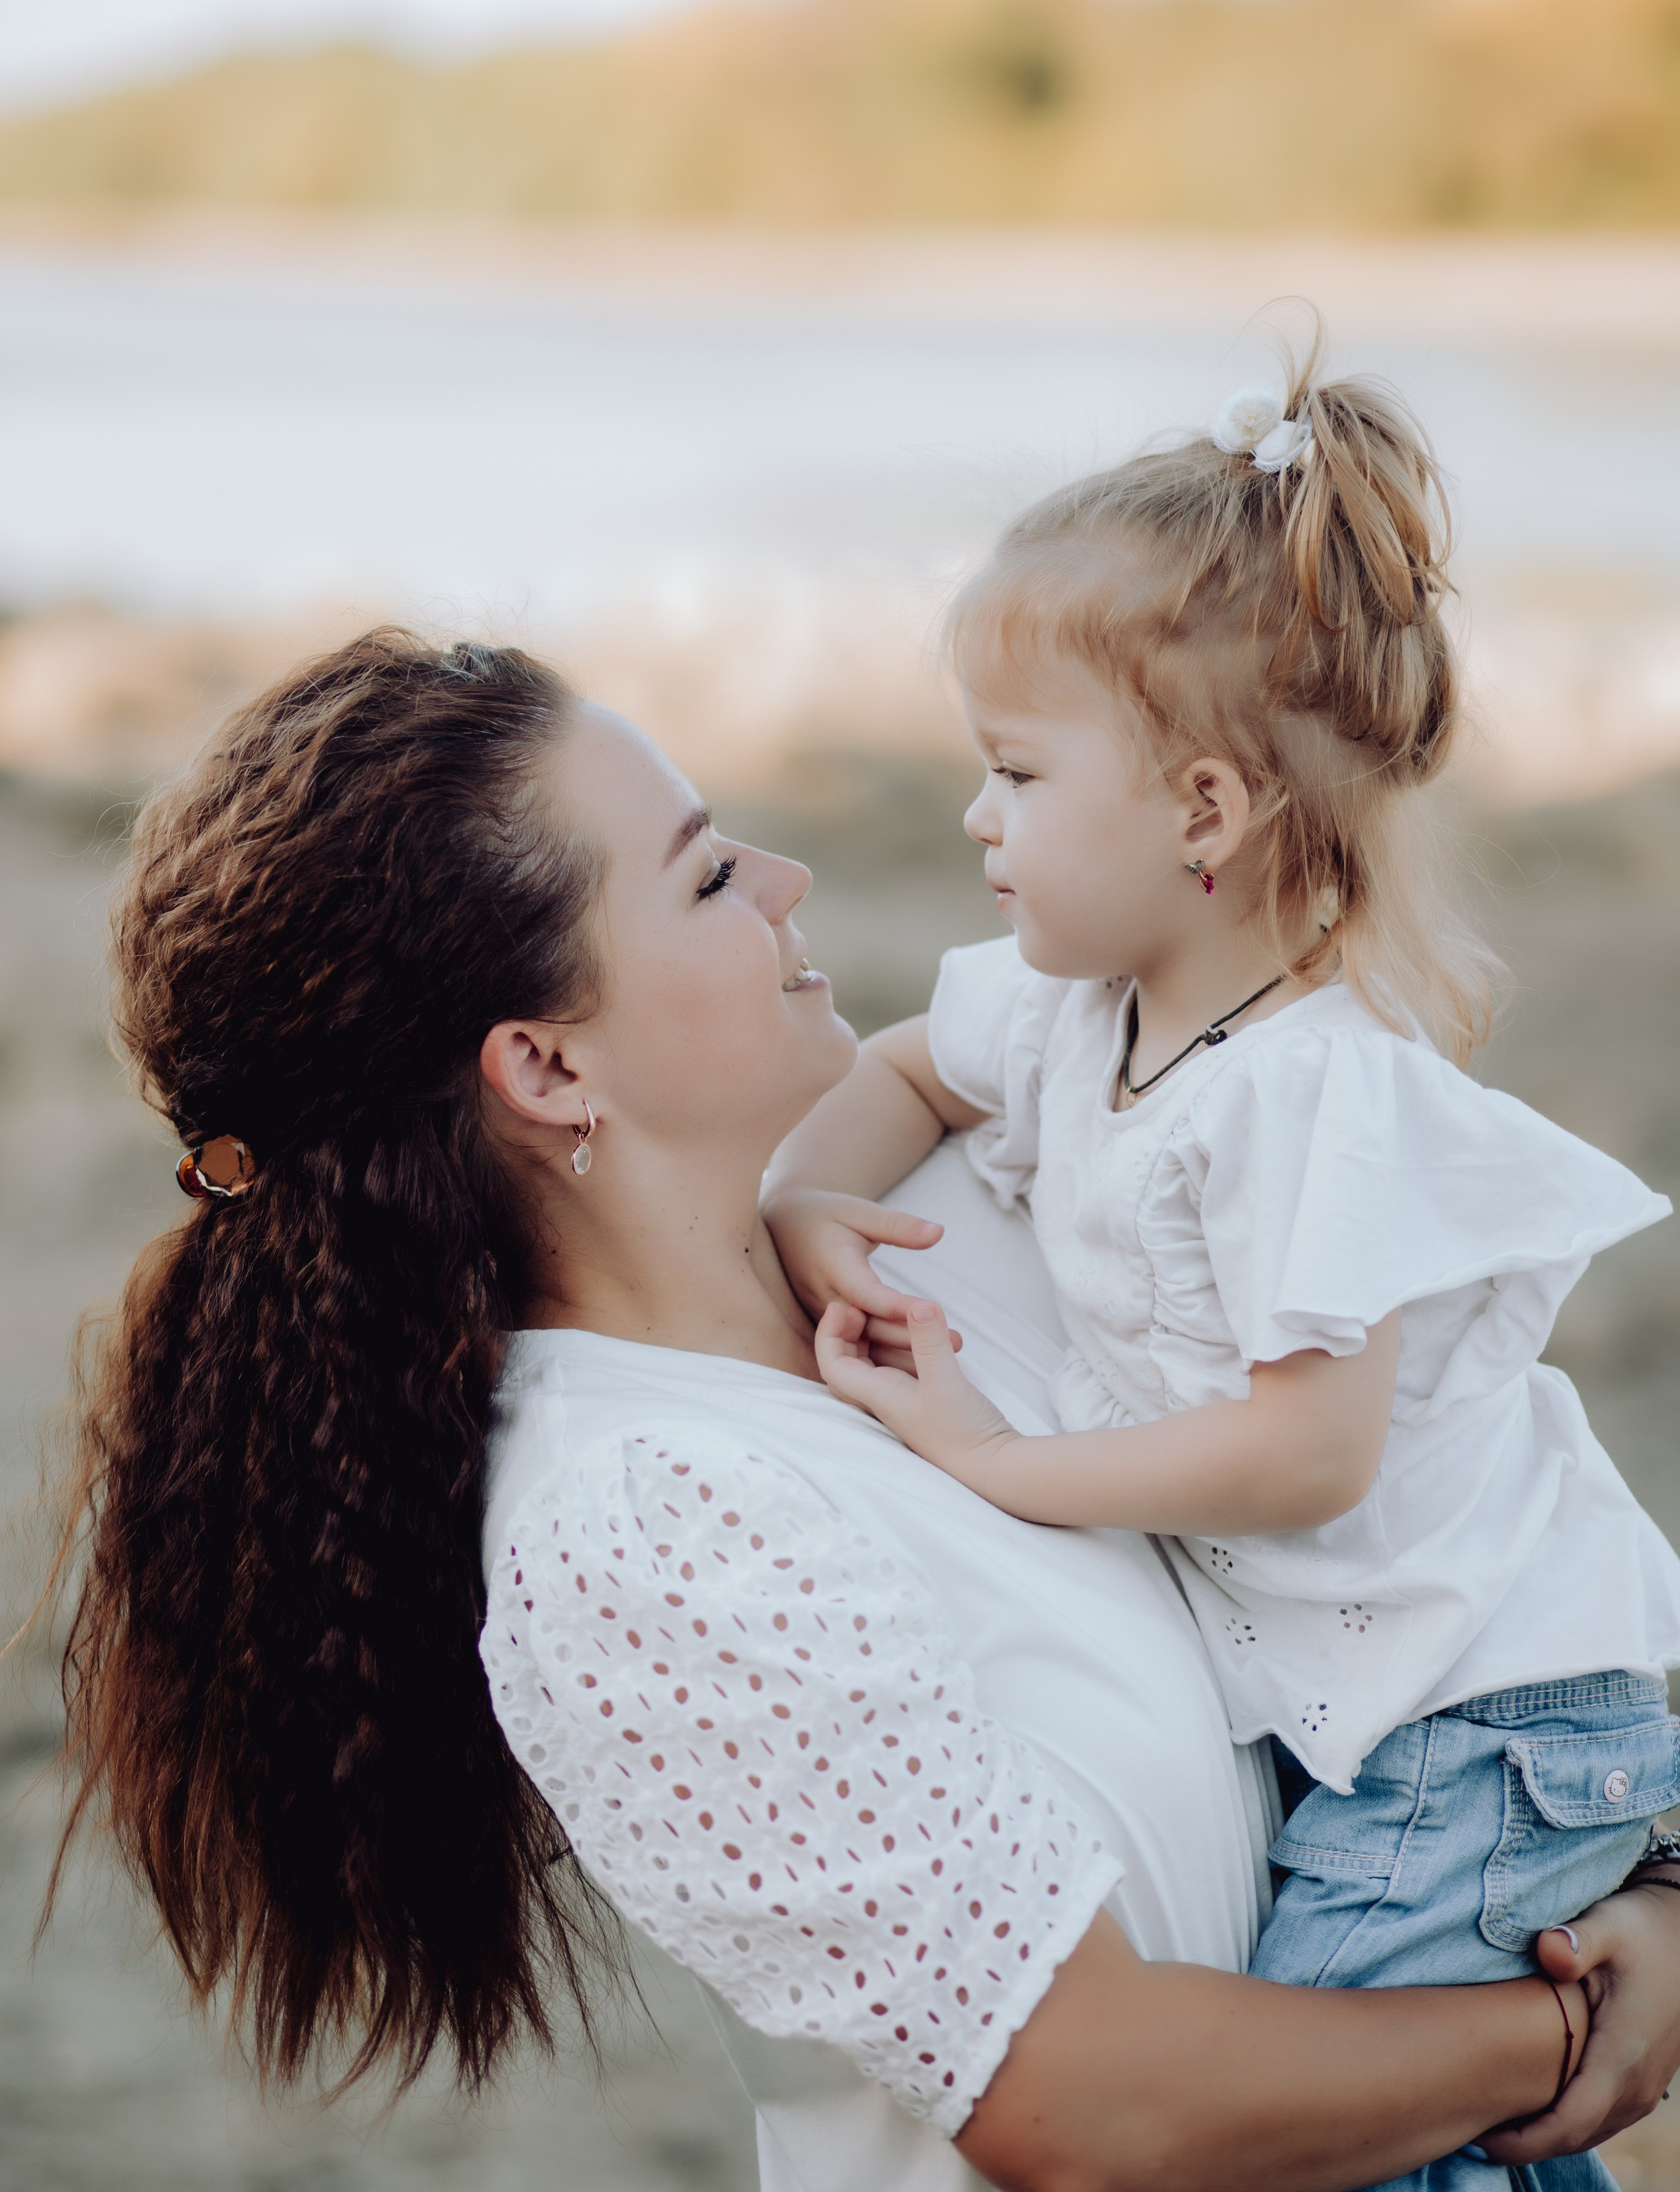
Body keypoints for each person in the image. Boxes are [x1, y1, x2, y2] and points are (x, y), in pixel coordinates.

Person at [45, 629, 1680, 2192]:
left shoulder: (955, 1222)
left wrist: (1652, 1888)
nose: (786, 878)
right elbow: (1087, 2107)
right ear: (545, 1070)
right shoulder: (637, 1533)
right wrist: (1568, 2029)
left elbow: (1448, 1540)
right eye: (702, 874)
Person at [763, 354, 1680, 2189]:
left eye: (1016, 772)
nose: (975, 818)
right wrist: (806, 1204)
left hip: (1485, 1717)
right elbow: (897, 1071)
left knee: (1335, 2117)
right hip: (1380, 1713)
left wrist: (994, 1465)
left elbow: (1306, 1453)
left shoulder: (1310, 1093)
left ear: (1202, 810)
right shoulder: (1072, 1013)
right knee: (1418, 2127)